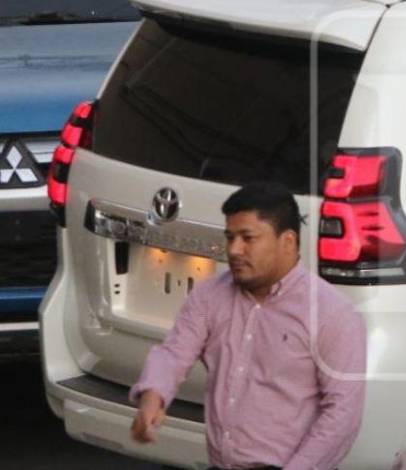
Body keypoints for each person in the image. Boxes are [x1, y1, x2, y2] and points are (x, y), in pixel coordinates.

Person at [129, 183, 366, 470]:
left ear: (287, 241)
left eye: (248, 238)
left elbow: (343, 414)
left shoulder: (332, 314)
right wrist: (153, 395)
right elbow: (175, 352)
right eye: (230, 237)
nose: (234, 250)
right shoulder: (209, 296)